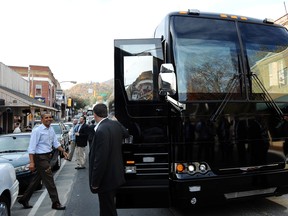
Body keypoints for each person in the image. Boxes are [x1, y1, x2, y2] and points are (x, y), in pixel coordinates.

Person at [18, 113, 68, 210]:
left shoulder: (51, 129)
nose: (49, 119)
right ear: (42, 119)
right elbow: (31, 148)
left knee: (36, 179)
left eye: (50, 117)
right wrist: (32, 162)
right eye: (46, 118)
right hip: (40, 158)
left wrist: (63, 151)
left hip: (47, 156)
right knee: (50, 181)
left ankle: (24, 199)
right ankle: (56, 203)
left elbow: (55, 142)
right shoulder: (37, 131)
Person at [89, 103, 129, 216]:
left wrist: (95, 182)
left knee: (107, 210)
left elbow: (100, 160)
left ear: (95, 115)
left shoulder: (101, 130)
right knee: (109, 208)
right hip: (116, 176)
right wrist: (116, 121)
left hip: (106, 179)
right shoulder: (114, 125)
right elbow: (126, 133)